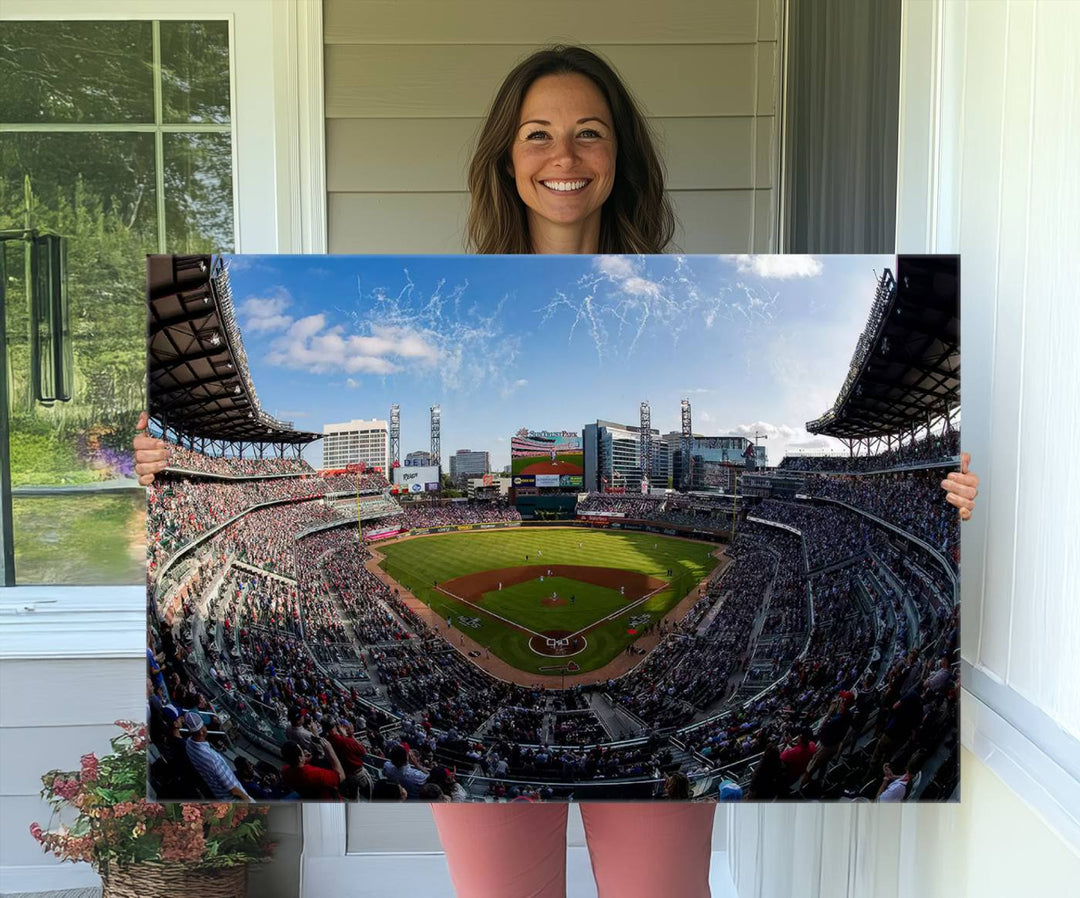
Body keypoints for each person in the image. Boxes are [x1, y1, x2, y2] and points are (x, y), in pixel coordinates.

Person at [134, 43, 981, 898]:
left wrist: (945, 495)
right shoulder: (445, 281)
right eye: (537, 134)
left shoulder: (693, 276)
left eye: (590, 133)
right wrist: (165, 465)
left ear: (621, 157)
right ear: (506, 158)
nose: (563, 157)